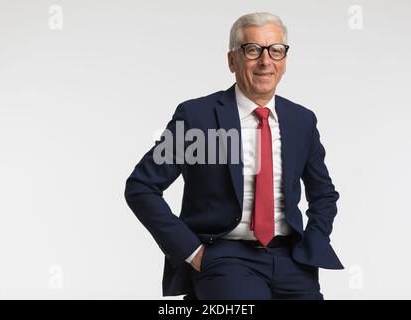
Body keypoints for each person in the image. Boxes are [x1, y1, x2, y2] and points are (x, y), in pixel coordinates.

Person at [124, 12, 343, 300]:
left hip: (293, 261)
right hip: (226, 258)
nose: (266, 61)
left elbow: (324, 193)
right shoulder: (197, 118)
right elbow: (141, 187)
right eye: (253, 50)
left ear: (284, 61)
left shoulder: (302, 120)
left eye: (276, 51)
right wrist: (191, 251)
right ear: (232, 61)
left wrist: (313, 241)